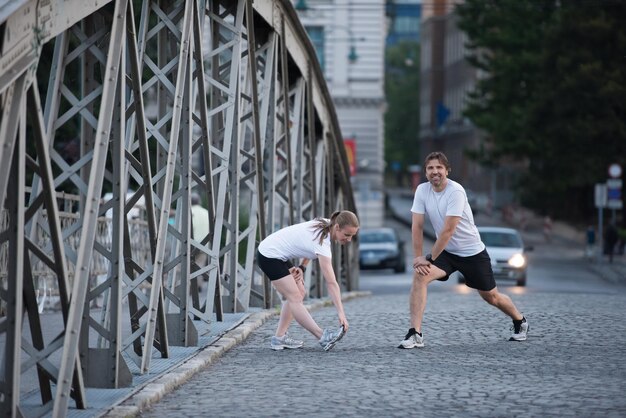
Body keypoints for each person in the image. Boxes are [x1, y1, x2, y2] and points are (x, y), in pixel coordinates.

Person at [398, 151, 528, 349]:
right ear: (425, 172)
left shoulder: (456, 191)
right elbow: (416, 226)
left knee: (491, 297)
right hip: (446, 253)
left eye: (439, 168)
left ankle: (520, 321)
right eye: (431, 168)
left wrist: (429, 257)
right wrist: (418, 257)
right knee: (420, 276)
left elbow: (448, 230)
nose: (435, 172)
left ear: (447, 171)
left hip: (471, 253)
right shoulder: (422, 191)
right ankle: (415, 333)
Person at [257, 211, 359, 351]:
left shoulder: (326, 223)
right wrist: (341, 313)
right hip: (269, 255)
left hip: (277, 253)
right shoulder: (323, 244)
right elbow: (331, 283)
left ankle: (279, 338)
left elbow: (307, 243)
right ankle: (322, 337)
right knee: (294, 297)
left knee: (299, 292)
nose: (348, 240)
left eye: (352, 236)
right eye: (347, 235)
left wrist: (302, 266)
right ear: (337, 228)